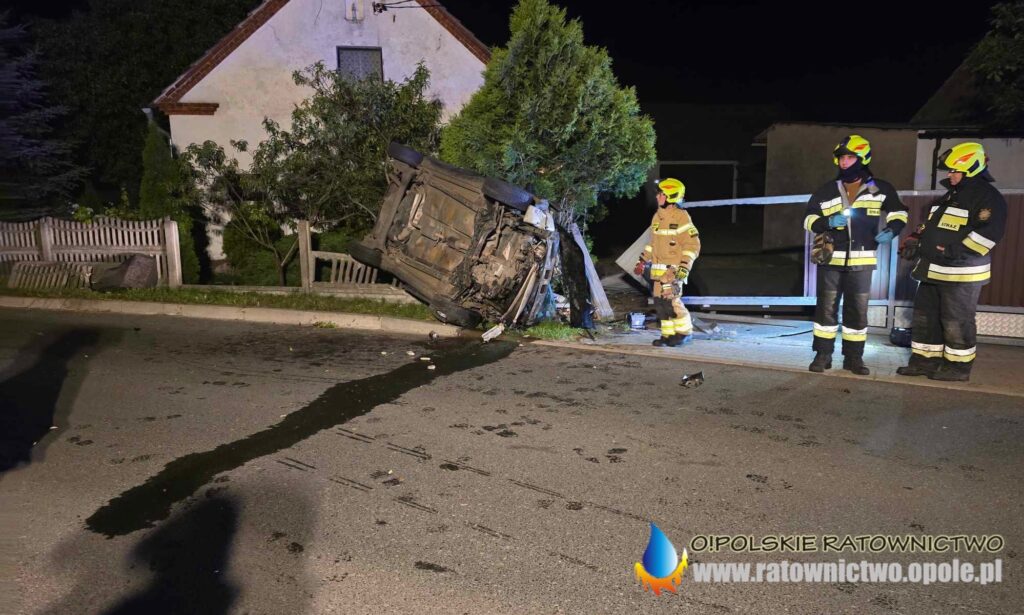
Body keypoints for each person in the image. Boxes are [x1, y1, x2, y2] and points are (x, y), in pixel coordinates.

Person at [896, 142, 1007, 382]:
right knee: (926, 319)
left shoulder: (988, 197)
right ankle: (924, 362)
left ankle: (957, 368)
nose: (950, 174)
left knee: (956, 322)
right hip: (932, 270)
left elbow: (987, 236)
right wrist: (916, 238)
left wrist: (950, 251)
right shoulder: (952, 195)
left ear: (971, 170)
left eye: (955, 171)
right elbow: (933, 225)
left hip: (960, 274)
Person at [803, 135, 908, 374]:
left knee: (857, 313)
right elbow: (808, 219)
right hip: (830, 261)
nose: (844, 162)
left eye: (850, 157)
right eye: (841, 157)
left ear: (862, 159)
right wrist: (827, 222)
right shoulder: (827, 190)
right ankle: (822, 355)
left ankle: (853, 359)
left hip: (862, 263)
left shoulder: (879, 188)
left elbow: (899, 213)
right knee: (825, 311)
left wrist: (892, 230)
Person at [634, 178, 700, 347]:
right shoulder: (657, 217)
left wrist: (683, 268)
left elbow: (692, 246)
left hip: (672, 272)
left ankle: (684, 333)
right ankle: (667, 335)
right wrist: (642, 261)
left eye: (661, 194)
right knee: (660, 304)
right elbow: (652, 244)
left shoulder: (682, 217)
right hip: (657, 273)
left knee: (672, 303)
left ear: (670, 196)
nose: (657, 197)